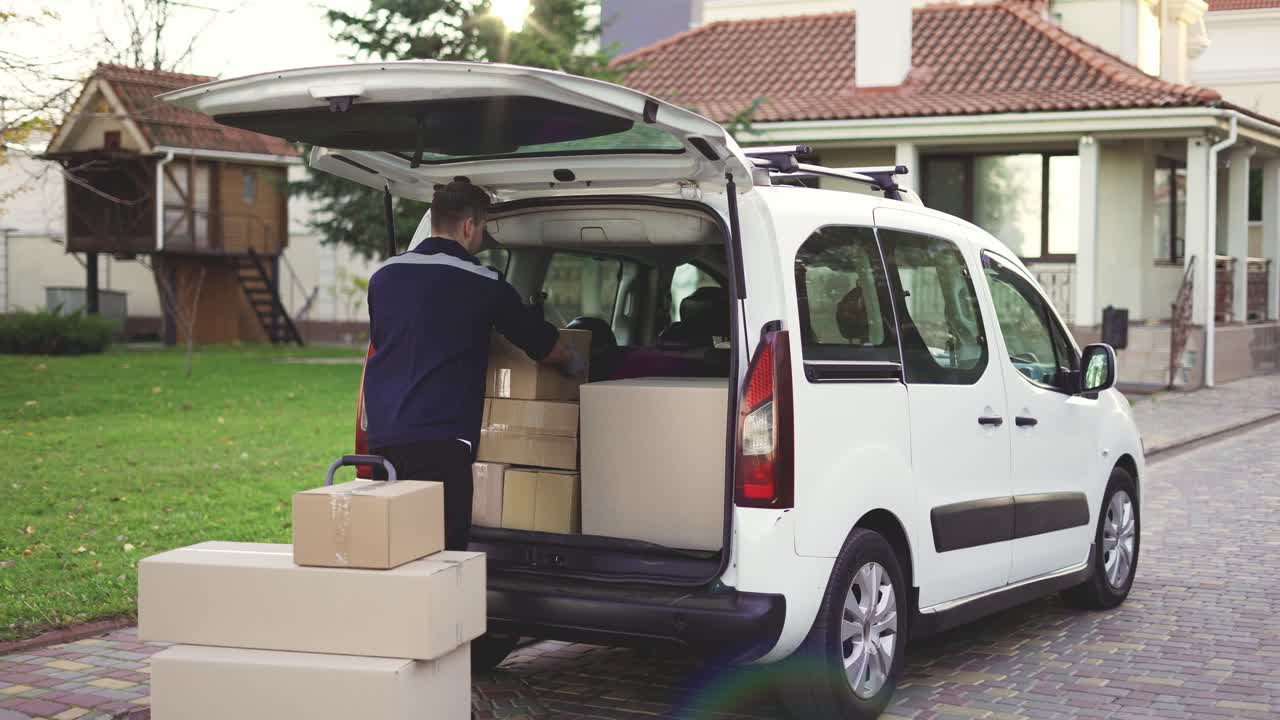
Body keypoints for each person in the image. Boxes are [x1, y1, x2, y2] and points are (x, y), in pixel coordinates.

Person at [363, 179, 583, 550]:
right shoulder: (482, 282)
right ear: (469, 226)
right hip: (441, 443)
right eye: (482, 229)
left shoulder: (383, 277)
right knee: (443, 553)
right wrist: (579, 363)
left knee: (394, 546)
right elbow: (544, 347)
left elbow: (392, 341)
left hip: (384, 438)